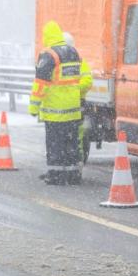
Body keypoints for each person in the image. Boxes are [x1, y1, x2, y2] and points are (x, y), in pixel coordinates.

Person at [28, 21, 86, 185]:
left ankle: (56, 175)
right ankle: (73, 174)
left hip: (56, 111)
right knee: (72, 144)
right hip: (73, 109)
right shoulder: (73, 52)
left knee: (55, 145)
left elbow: (41, 84)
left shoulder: (49, 55)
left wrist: (34, 107)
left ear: (47, 36)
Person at [62, 32, 93, 166]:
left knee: (78, 133)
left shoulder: (79, 61)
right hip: (64, 104)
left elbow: (87, 81)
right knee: (67, 134)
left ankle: (77, 159)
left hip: (76, 103)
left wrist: (71, 92)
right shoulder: (56, 62)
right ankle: (69, 160)